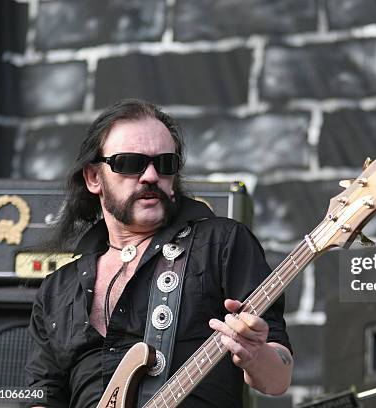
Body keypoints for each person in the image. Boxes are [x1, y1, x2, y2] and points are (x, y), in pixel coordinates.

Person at [25, 99, 293, 407]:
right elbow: (41, 394)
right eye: (129, 163)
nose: (151, 176)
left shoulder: (221, 243)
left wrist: (257, 355)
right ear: (93, 178)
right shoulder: (58, 288)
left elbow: (278, 380)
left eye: (165, 163)